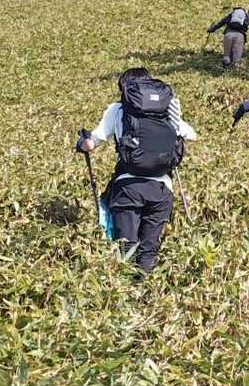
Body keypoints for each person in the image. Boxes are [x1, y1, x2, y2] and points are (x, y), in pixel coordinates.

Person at [75, 67, 197, 273]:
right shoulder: (166, 109)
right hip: (162, 189)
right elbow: (192, 135)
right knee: (149, 251)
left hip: (128, 187)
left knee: (127, 249)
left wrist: (81, 143)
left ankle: (127, 288)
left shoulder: (118, 109)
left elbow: (91, 144)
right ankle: (147, 287)